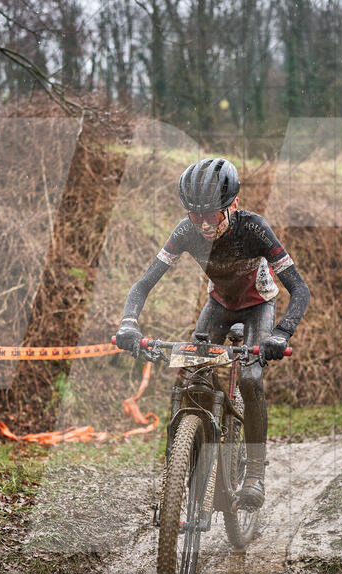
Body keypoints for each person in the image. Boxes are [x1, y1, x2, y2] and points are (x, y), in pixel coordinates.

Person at [115, 158, 311, 510]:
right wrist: (129, 323)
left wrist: (281, 334)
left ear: (233, 205)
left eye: (213, 215)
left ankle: (253, 474)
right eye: (195, 215)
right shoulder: (185, 231)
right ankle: (176, 475)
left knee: (250, 379)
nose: (204, 224)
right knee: (190, 378)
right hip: (218, 306)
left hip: (257, 308)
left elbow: (299, 289)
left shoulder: (255, 229)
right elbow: (144, 284)